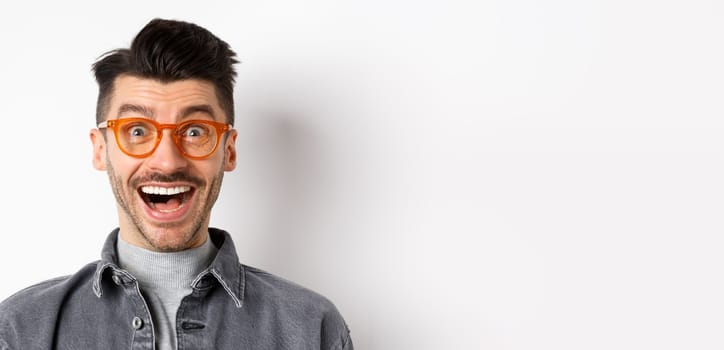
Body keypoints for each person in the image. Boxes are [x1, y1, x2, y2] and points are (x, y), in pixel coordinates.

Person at [0, 18, 353, 350]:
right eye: (137, 131)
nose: (167, 162)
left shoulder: (312, 329)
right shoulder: (22, 329)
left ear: (228, 151)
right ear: (100, 150)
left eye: (195, 131)